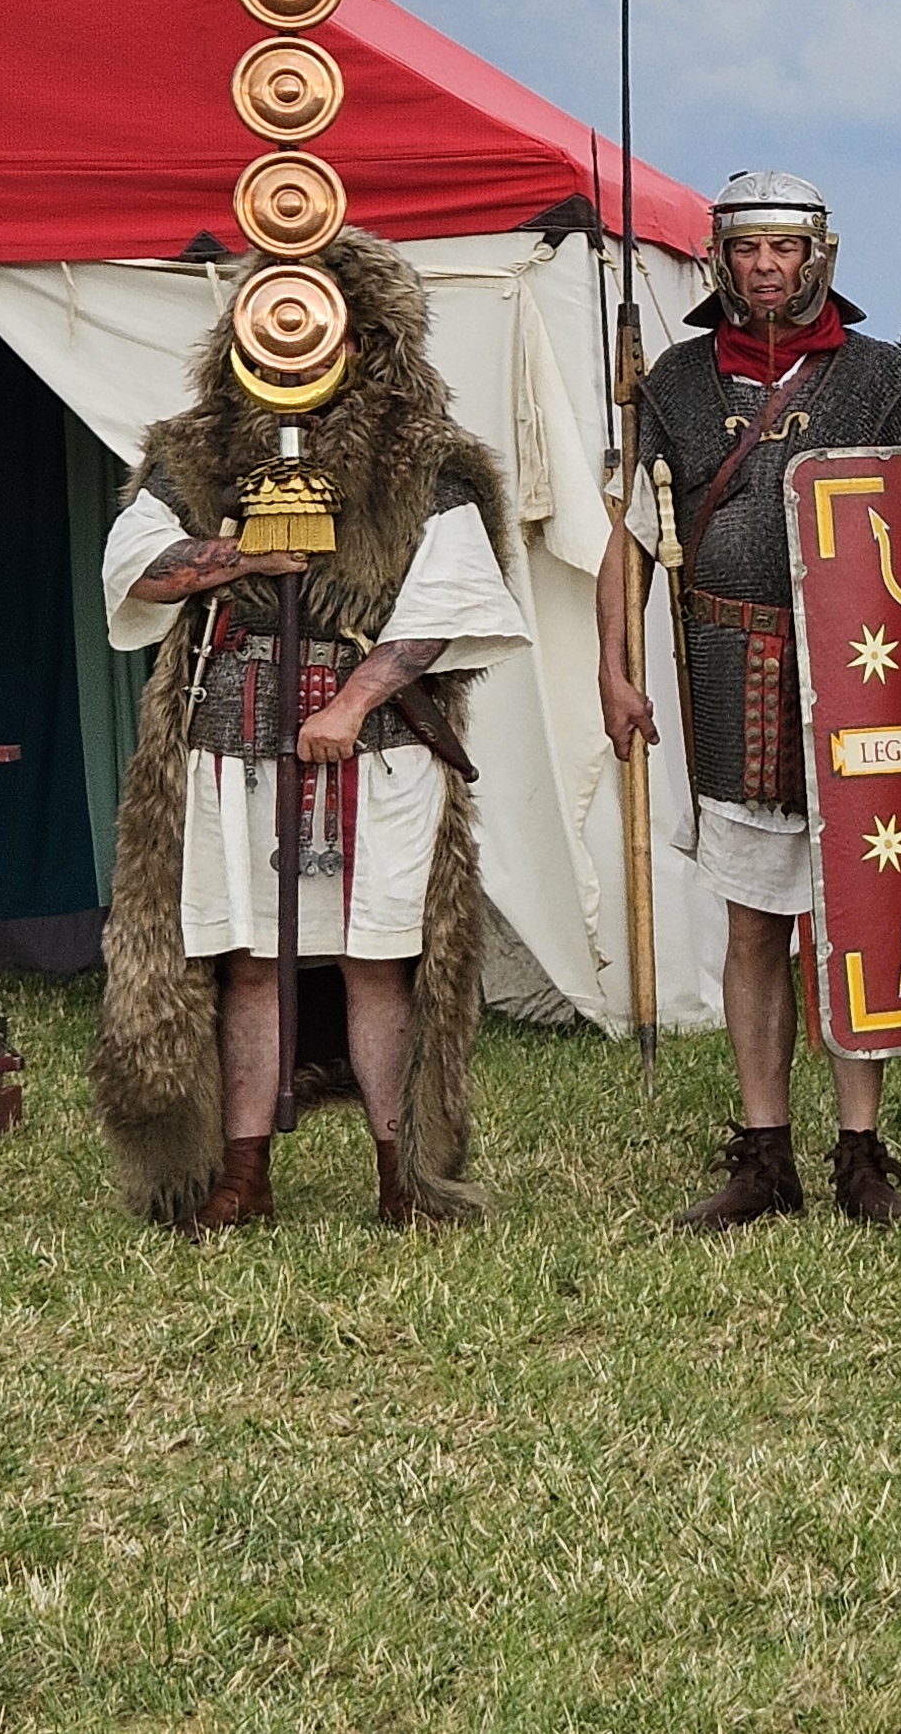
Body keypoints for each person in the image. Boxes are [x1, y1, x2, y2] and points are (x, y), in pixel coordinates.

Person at [91, 230, 527, 1233]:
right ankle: (241, 1174)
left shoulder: (426, 457)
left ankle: (404, 1174)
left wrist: (352, 702)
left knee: (381, 959)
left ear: (366, 337)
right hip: (230, 737)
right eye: (274, 320)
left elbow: (449, 604)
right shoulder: (195, 451)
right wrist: (242, 554)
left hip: (379, 752)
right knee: (246, 962)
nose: (296, 344)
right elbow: (137, 568)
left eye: (325, 325)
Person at [600, 171, 901, 1232]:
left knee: (854, 917)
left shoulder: (880, 377)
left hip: (857, 672)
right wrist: (614, 666)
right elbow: (630, 538)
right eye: (747, 249)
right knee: (754, 922)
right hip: (731, 670)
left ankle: (860, 1150)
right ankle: (764, 1152)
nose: (765, 267)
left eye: (783, 248)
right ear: (722, 259)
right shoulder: (678, 380)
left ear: (816, 255)